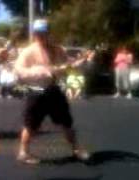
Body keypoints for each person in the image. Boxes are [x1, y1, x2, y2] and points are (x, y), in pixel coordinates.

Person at [14, 19, 89, 164]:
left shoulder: (58, 49)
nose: (41, 36)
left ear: (49, 33)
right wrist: (40, 72)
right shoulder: (28, 52)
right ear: (34, 34)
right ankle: (23, 153)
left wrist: (78, 63)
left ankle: (76, 150)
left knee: (67, 122)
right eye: (39, 33)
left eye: (44, 33)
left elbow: (67, 65)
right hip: (36, 92)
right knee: (31, 124)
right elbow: (18, 71)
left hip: (54, 91)